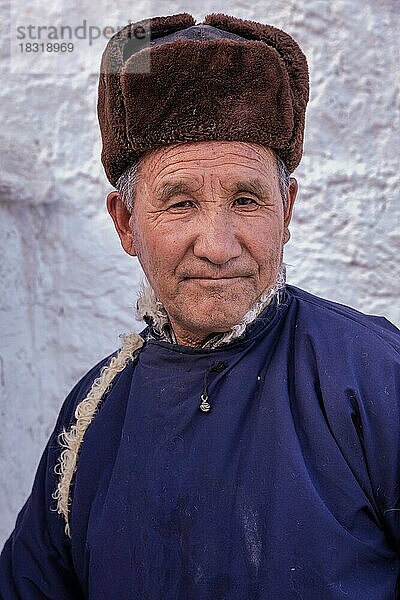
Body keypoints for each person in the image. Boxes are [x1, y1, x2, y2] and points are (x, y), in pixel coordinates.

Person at [1, 12, 399, 600]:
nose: (216, 245)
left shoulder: (373, 379)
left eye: (246, 199)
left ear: (285, 212)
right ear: (125, 223)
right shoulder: (92, 418)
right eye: (180, 202)